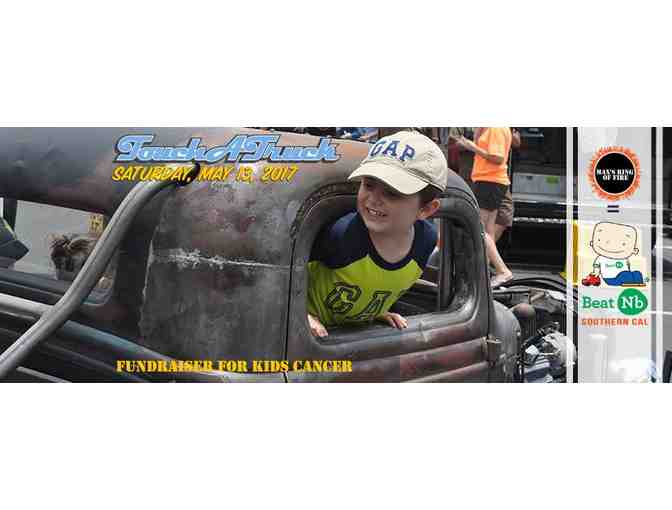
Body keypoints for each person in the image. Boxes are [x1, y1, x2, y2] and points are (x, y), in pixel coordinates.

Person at [307, 130, 446, 338]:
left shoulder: (425, 242)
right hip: (308, 336)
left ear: (426, 209)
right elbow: (285, 273)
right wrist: (301, 315)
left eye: (392, 193)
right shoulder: (342, 235)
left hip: (351, 339)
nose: (373, 199)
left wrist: (376, 311)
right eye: (369, 185)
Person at [456, 127, 513, 287]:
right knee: (488, 230)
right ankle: (484, 272)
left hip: (490, 181)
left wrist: (472, 147)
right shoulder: (490, 128)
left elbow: (498, 157)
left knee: (480, 228)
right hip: (490, 181)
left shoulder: (495, 128)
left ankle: (502, 271)